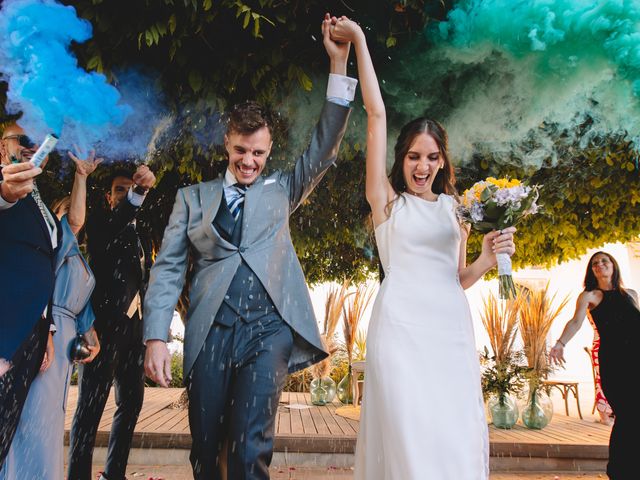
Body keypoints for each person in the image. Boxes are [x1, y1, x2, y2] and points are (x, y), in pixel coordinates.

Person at [143, 14, 356, 479]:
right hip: (211, 332)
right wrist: (156, 335)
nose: (249, 161)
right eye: (242, 151)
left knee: (249, 450)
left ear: (269, 150)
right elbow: (168, 270)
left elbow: (323, 146)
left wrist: (339, 64)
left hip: (267, 332)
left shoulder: (282, 190)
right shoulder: (191, 199)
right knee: (206, 451)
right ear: (227, 144)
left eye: (258, 153)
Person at [329, 18, 516, 479]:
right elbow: (376, 115)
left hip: (449, 332)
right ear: (402, 158)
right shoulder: (386, 202)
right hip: (399, 330)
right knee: (406, 433)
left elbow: (457, 279)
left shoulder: (457, 210)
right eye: (414, 156)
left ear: (442, 161)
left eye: (432, 157)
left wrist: (487, 260)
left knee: (450, 435)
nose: (423, 165)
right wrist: (360, 42)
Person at [0, 150, 102, 480]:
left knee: (38, 422)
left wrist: (82, 176)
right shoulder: (14, 198)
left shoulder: (52, 232)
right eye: (19, 142)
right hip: (16, 332)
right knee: (21, 424)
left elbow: (74, 223)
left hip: (46, 336)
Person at [68, 164, 156, 480]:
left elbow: (144, 281)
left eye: (129, 188)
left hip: (136, 332)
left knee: (131, 405)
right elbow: (120, 219)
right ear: (109, 196)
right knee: (89, 410)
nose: (125, 194)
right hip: (102, 331)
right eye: (120, 189)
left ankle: (113, 474)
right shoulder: (102, 225)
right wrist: (140, 190)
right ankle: (77, 475)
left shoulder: (143, 234)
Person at [550, 251, 640, 479]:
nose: (600, 265)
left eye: (604, 261)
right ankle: (619, 471)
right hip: (614, 362)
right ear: (592, 271)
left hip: (636, 360)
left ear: (613, 265)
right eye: (595, 264)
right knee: (626, 414)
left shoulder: (631, 294)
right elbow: (576, 322)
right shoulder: (589, 296)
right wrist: (560, 343)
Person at [0, 122, 59, 468]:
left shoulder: (39, 199)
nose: (29, 147)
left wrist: (45, 328)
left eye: (35, 142)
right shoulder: (9, 186)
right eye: (21, 141)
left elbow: (42, 262)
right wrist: (5, 191)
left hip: (30, 332)